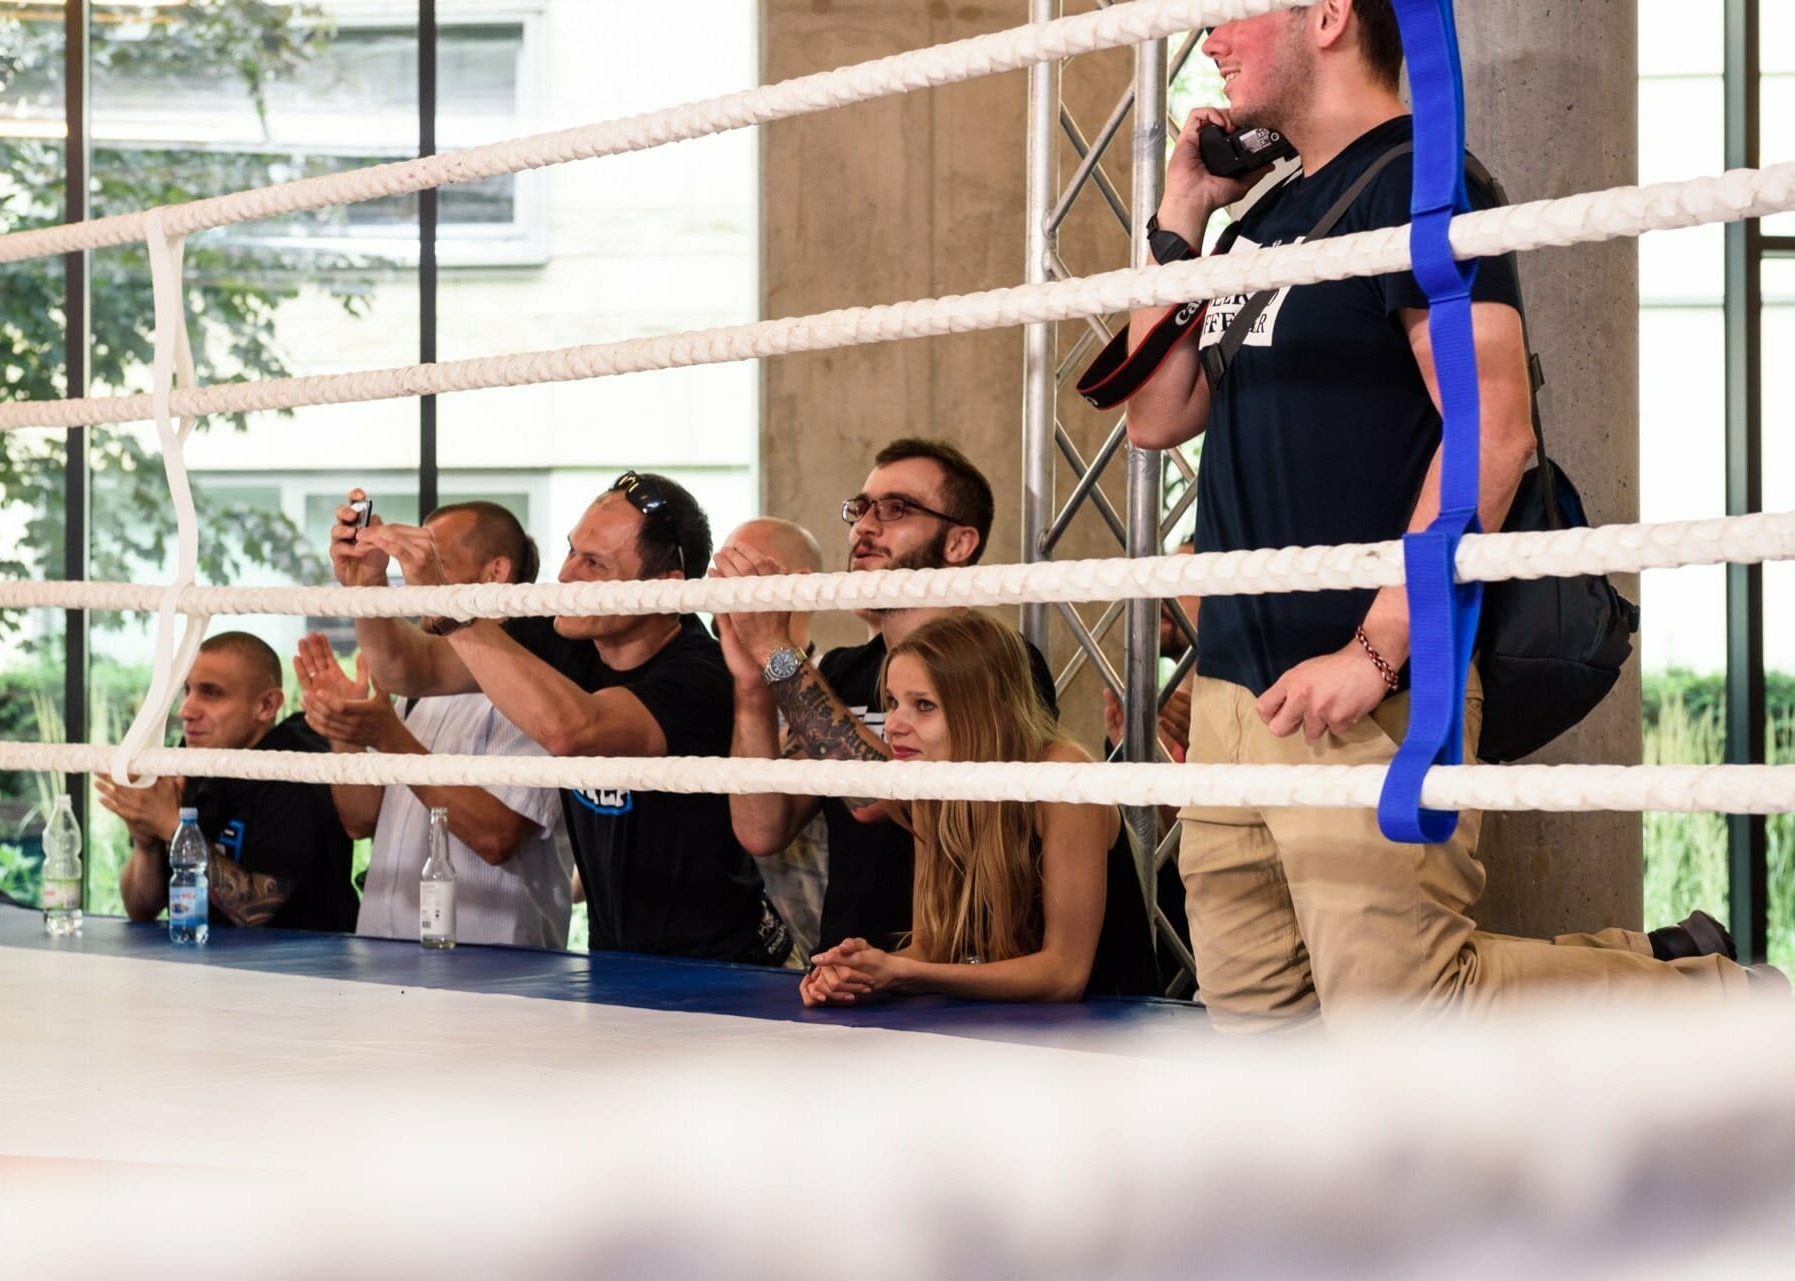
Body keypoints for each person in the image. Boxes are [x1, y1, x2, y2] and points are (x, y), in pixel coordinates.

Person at [1120, 0, 1765, 1026]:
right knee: (1255, 1034)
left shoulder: (1428, 186)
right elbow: (1156, 417)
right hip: (1237, 691)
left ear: (1327, 16)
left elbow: (1492, 435)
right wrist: (1182, 213)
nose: (1210, 41)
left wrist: (1377, 651)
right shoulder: (1265, 223)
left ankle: (1704, 991)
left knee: (1411, 1011)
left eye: (1231, 13)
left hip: (1367, 685)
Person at [334, 474, 791, 966]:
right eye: (572, 551)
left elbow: (574, 730)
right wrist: (370, 590)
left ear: (664, 590)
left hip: (722, 963)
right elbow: (412, 669)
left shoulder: (701, 674)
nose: (568, 575)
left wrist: (448, 605)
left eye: (594, 563)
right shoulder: (563, 631)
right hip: (618, 959)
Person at [714, 438, 1059, 959]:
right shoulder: (842, 671)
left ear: (959, 544)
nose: (864, 528)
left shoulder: (1002, 663)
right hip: (847, 967)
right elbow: (763, 828)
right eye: (862, 508)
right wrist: (751, 682)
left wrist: (776, 649)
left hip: (954, 972)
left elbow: (882, 800)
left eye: (895, 509)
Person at [799, 612, 1158, 1005]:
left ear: (981, 711)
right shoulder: (928, 777)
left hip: (1110, 1034)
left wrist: (901, 973)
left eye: (923, 705)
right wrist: (861, 974)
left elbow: (1064, 975)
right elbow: (930, 946)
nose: (894, 725)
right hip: (1004, 1030)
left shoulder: (1063, 777)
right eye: (892, 702)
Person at [294, 501, 572, 949]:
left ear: (495, 572)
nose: (414, 571)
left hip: (495, 975)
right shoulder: (418, 683)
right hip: (385, 956)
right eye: (409, 559)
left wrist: (391, 738)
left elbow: (498, 836)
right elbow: (360, 821)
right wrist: (346, 736)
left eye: (430, 559)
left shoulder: (536, 680)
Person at [101, 631, 357, 933]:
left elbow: (254, 912)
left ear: (265, 706)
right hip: (204, 962)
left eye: (211, 693)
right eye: (188, 691)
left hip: (302, 970)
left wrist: (172, 827)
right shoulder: (194, 757)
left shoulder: (295, 769)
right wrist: (146, 844)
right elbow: (140, 908)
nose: (186, 711)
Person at [715, 517, 829, 958]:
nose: (727, 588)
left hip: (851, 958)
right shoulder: (725, 681)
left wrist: (770, 655)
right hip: (763, 963)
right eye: (721, 571)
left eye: (743, 569)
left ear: (799, 584)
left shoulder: (841, 681)